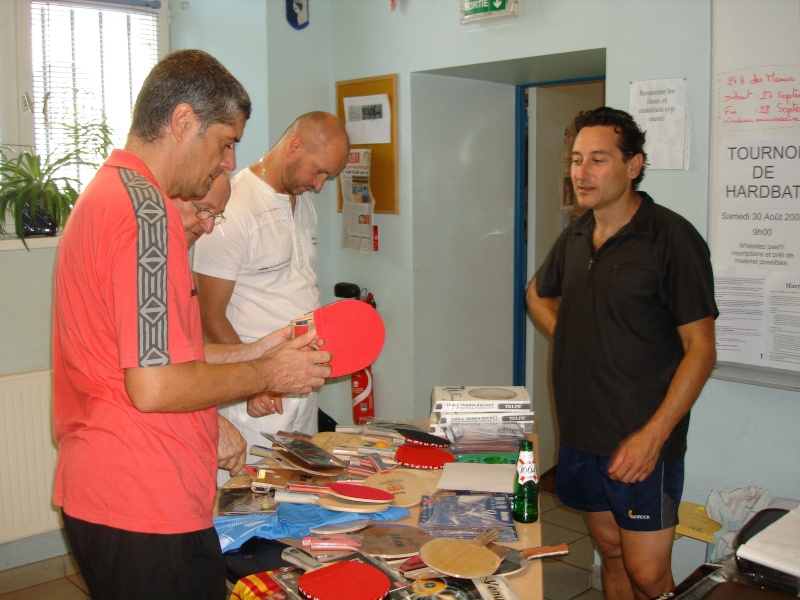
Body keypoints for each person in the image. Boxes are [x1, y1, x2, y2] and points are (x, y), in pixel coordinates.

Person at [51, 49, 333, 600]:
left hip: (107, 491)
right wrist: (267, 372)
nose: (230, 162)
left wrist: (259, 351)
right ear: (183, 122)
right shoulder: (148, 213)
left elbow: (157, 353)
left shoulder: (110, 195)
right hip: (145, 501)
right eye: (226, 141)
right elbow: (157, 385)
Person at [526, 107, 718, 600]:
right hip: (582, 433)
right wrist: (574, 337)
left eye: (598, 159)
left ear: (634, 166)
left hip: (642, 438)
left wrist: (653, 437)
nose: (581, 173)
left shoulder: (672, 238)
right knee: (609, 553)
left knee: (650, 576)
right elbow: (537, 294)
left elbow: (701, 350)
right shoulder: (574, 234)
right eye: (575, 160)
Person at [192, 111, 349, 482]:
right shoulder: (234, 204)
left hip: (301, 386)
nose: (320, 184)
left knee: (300, 494)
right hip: (254, 396)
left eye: (328, 176)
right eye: (319, 171)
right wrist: (254, 383)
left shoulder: (302, 201)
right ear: (294, 146)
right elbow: (209, 314)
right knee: (247, 504)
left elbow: (295, 288)